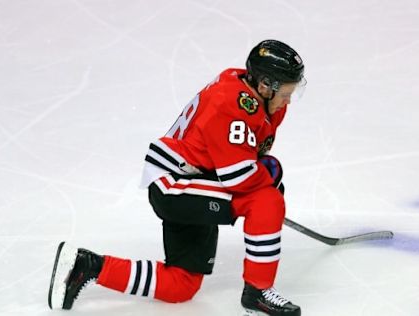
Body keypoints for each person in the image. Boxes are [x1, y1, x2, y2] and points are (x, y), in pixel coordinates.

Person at [48, 39, 306, 316]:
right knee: (266, 200)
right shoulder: (233, 106)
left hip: (197, 182)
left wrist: (263, 174)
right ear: (265, 85)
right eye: (286, 93)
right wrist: (271, 172)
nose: (289, 100)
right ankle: (258, 291)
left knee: (180, 286)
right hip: (176, 185)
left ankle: (87, 266)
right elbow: (239, 178)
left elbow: (242, 155)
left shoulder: (250, 91)